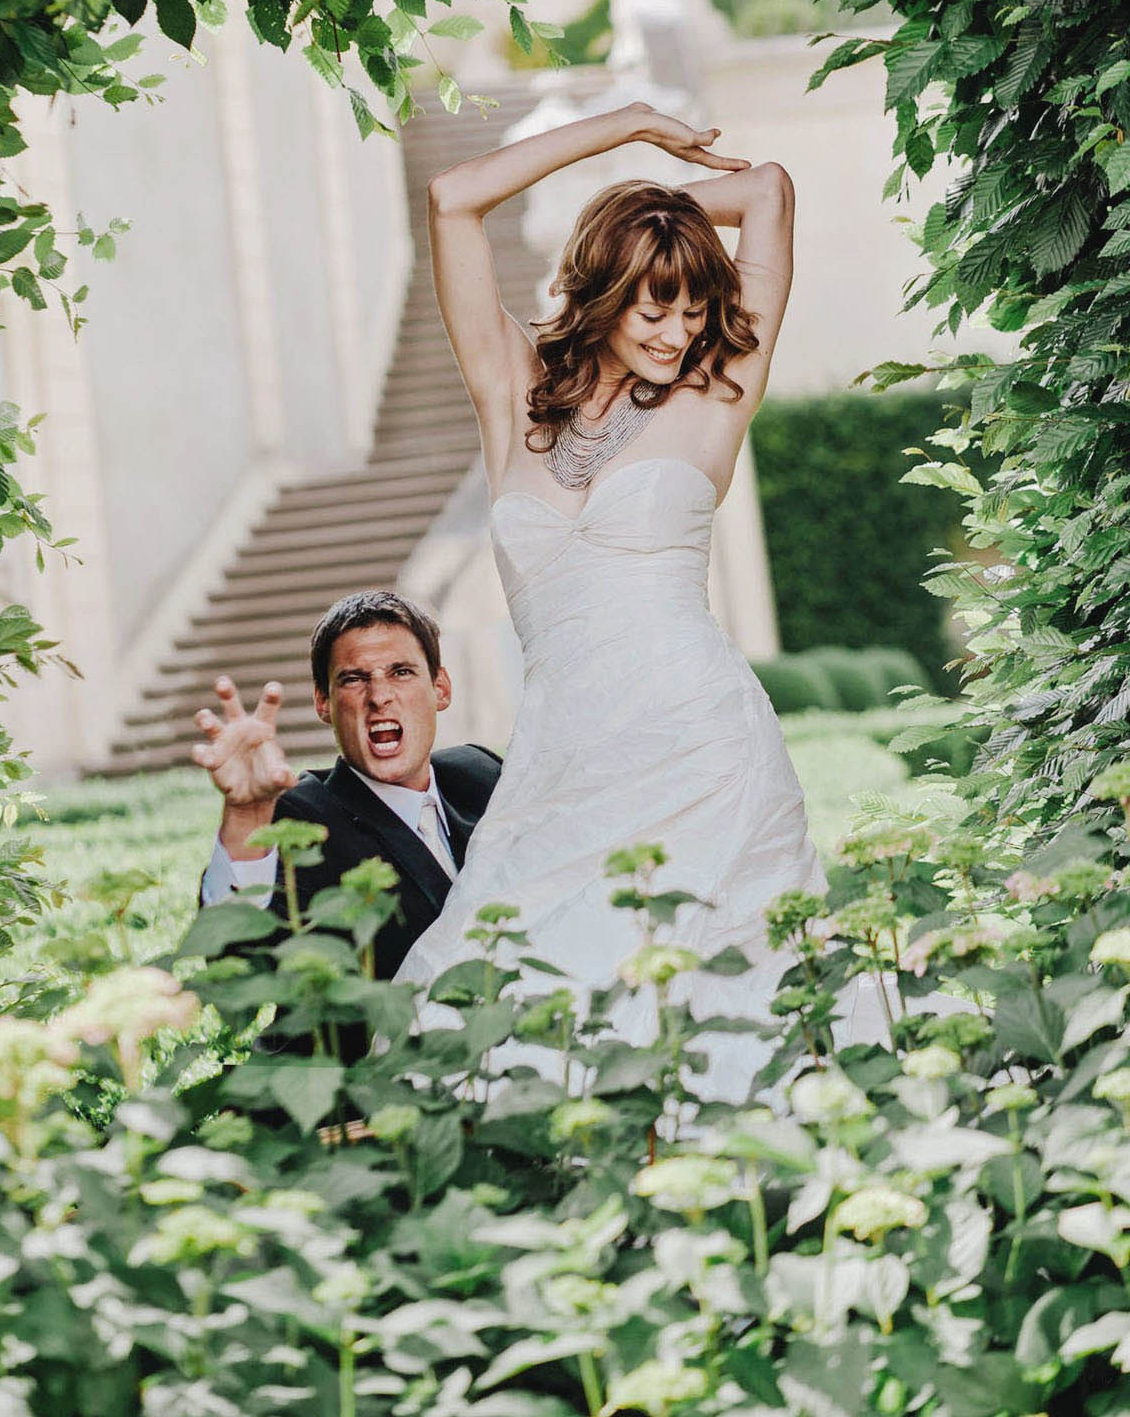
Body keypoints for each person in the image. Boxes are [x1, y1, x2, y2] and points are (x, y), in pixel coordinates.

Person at [393, 101, 831, 1094]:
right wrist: (626, 131)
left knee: (730, 1023)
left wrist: (640, 216)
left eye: (689, 307)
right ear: (602, 290)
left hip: (702, 752)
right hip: (563, 764)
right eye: (651, 306)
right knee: (502, 1017)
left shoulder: (713, 392)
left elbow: (765, 189)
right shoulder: (511, 394)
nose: (678, 331)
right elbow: (452, 199)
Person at [193, 590, 501, 979]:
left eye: (401, 672)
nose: (380, 696)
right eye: (354, 679)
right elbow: (240, 973)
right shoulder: (300, 817)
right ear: (323, 702)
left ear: (440, 687)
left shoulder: (482, 773)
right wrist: (245, 817)